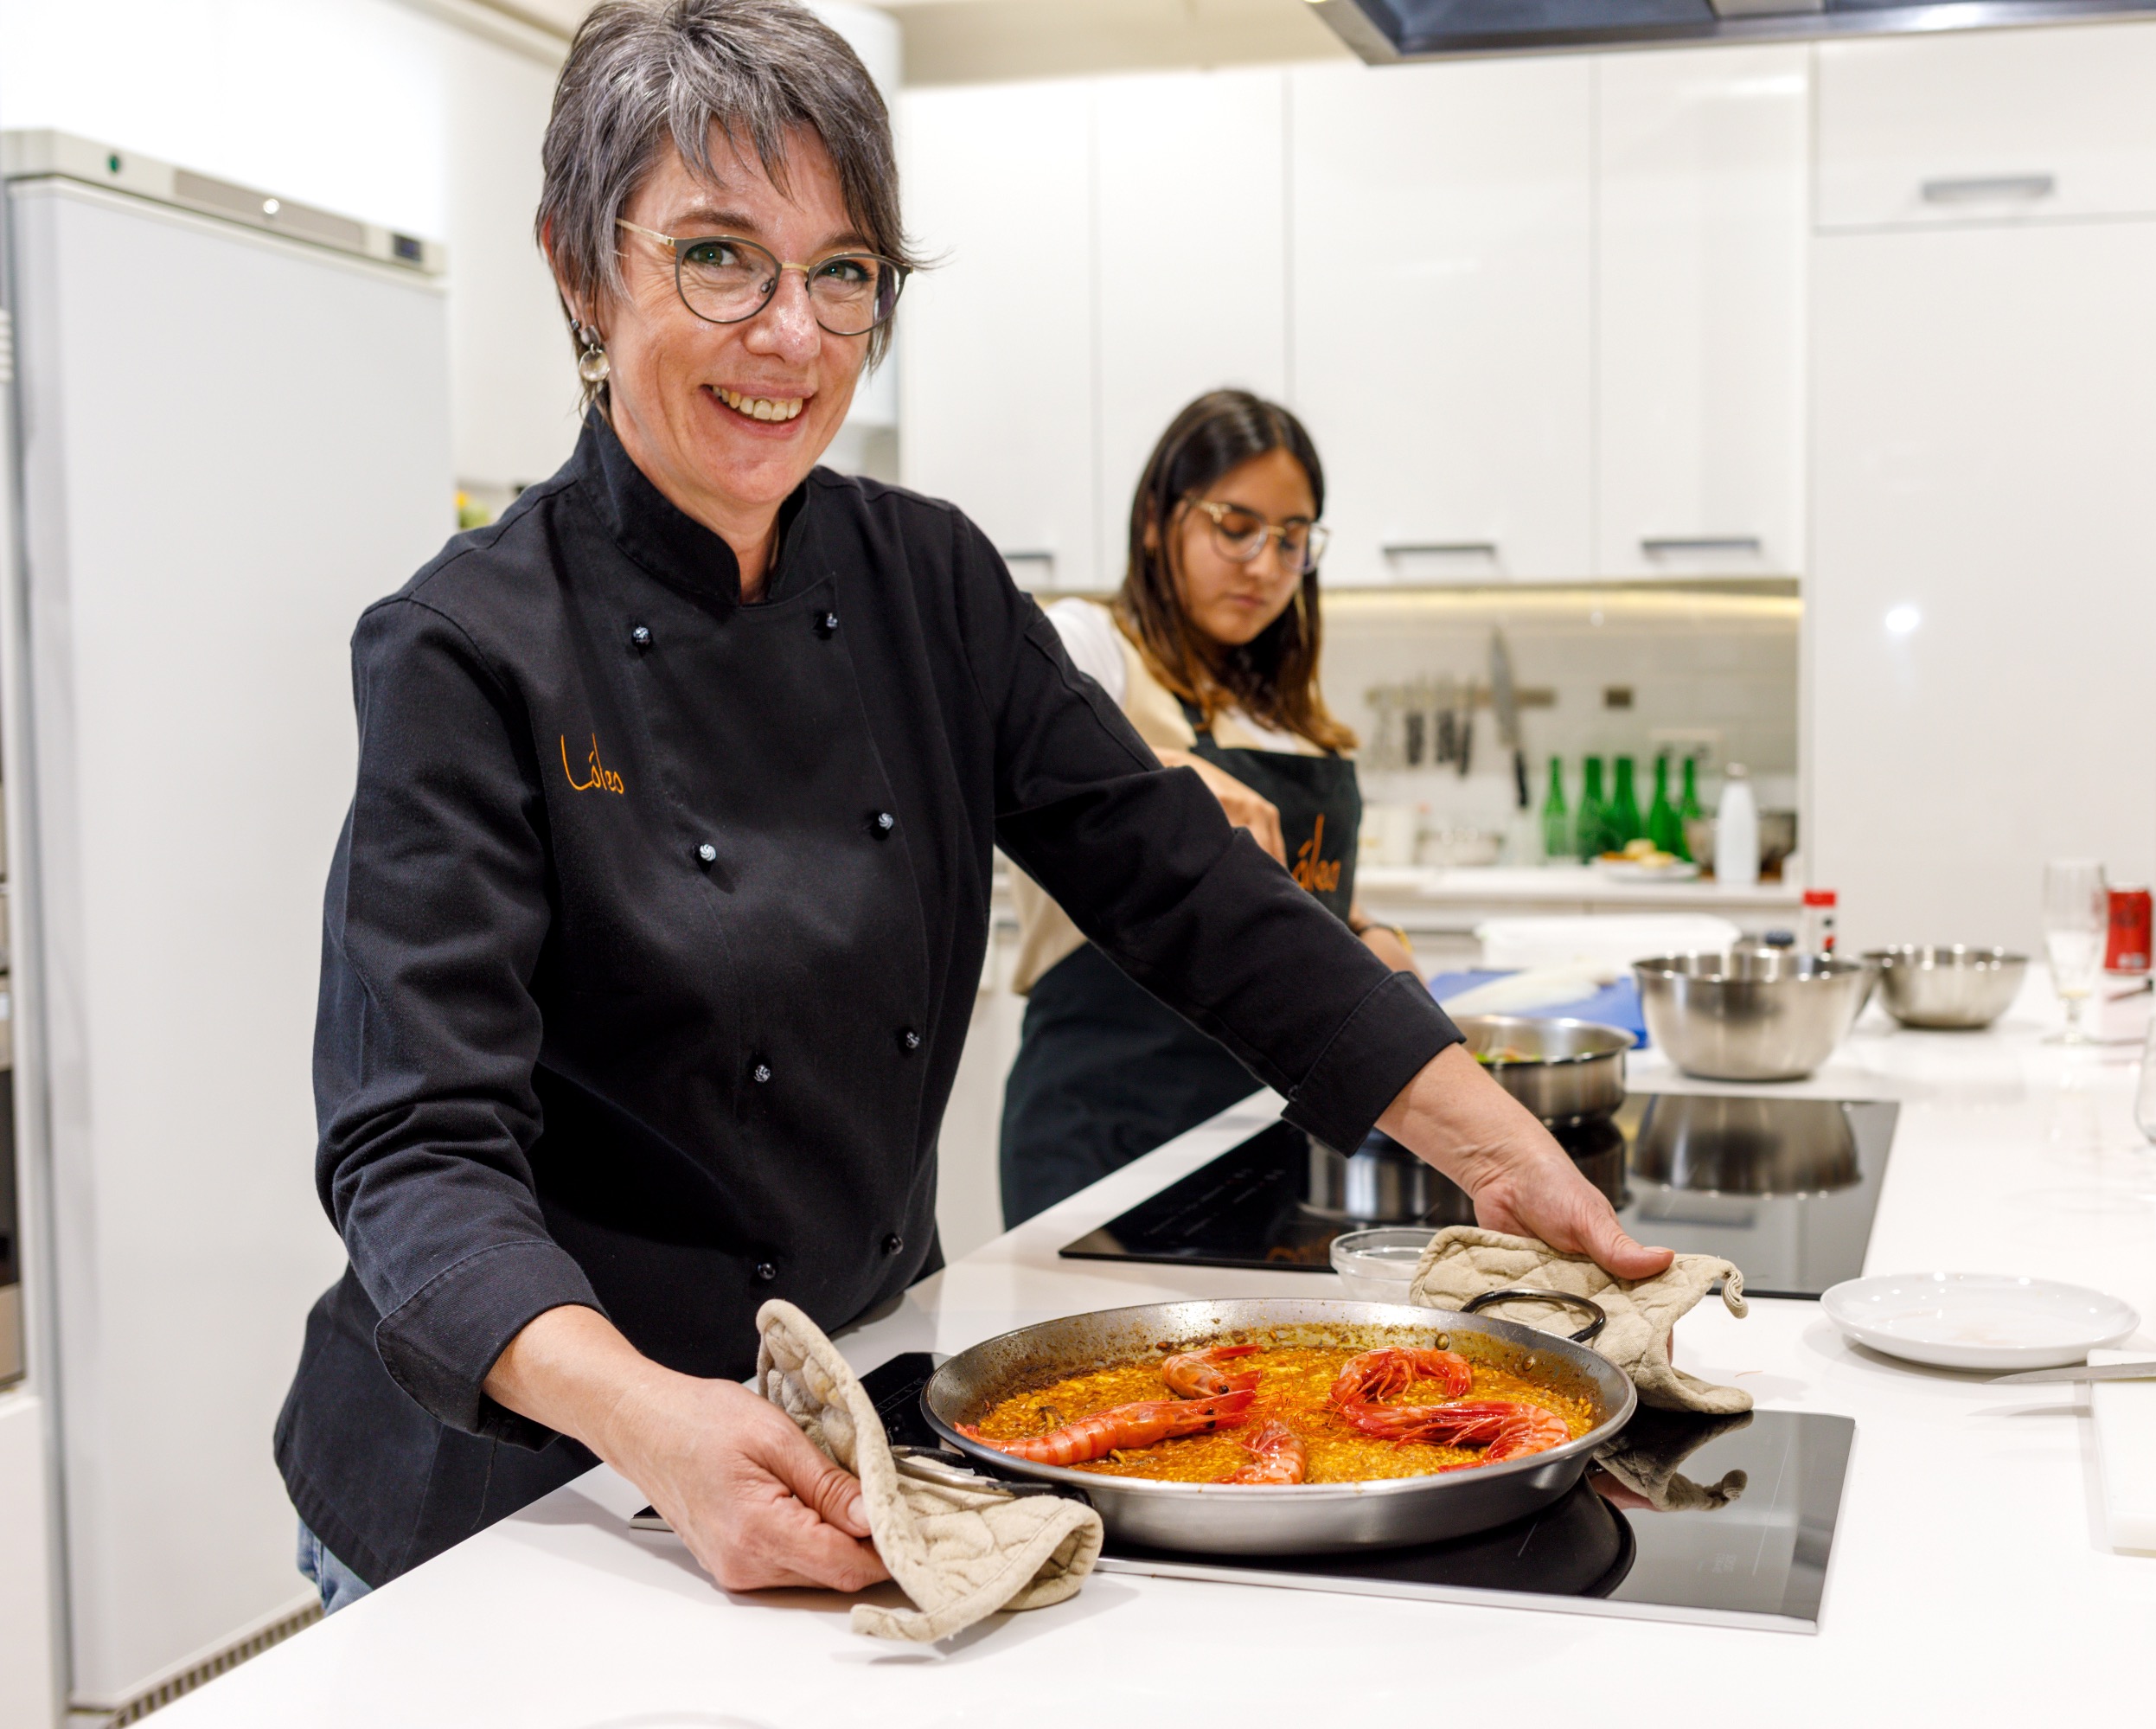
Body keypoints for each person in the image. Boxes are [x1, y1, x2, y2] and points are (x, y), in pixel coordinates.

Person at [272, 0, 1667, 1611]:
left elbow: (1179, 887)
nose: (793, 336)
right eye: (721, 257)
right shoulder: (467, 647)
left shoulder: (925, 578)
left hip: (829, 1409)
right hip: (530, 1478)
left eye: (844, 271)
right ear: (581, 271)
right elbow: (414, 1149)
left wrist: (1498, 1148)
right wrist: (648, 1417)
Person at [996, 391, 1411, 1226]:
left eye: (1291, 538)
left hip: (1265, 1134)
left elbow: (1283, 893)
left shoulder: (1291, 719)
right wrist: (1162, 769)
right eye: (1235, 525)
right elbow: (1000, 734)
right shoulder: (1091, 647)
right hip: (1104, 1132)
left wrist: (1366, 935)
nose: (1264, 562)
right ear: (1158, 521)